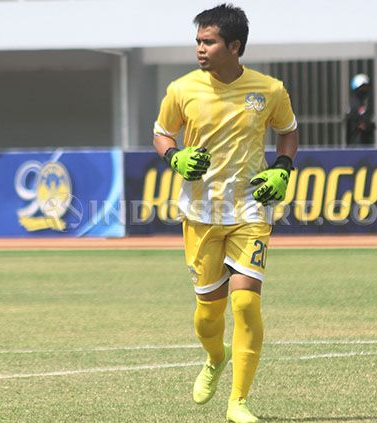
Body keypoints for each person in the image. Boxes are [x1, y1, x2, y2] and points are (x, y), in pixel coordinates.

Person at [152, 4, 298, 422]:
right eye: (198, 40)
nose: (200, 48)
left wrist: (283, 170)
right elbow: (162, 132)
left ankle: (238, 402)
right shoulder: (182, 89)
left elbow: (287, 131)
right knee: (208, 315)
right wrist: (175, 158)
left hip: (251, 210)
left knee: (247, 303)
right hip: (199, 214)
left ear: (234, 46)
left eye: (209, 41)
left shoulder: (269, 90)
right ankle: (215, 357)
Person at [345, 73, 375, 146]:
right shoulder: (355, 104)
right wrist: (369, 125)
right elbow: (362, 124)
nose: (365, 91)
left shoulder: (361, 104)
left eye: (367, 88)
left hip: (362, 144)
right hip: (358, 144)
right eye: (363, 88)